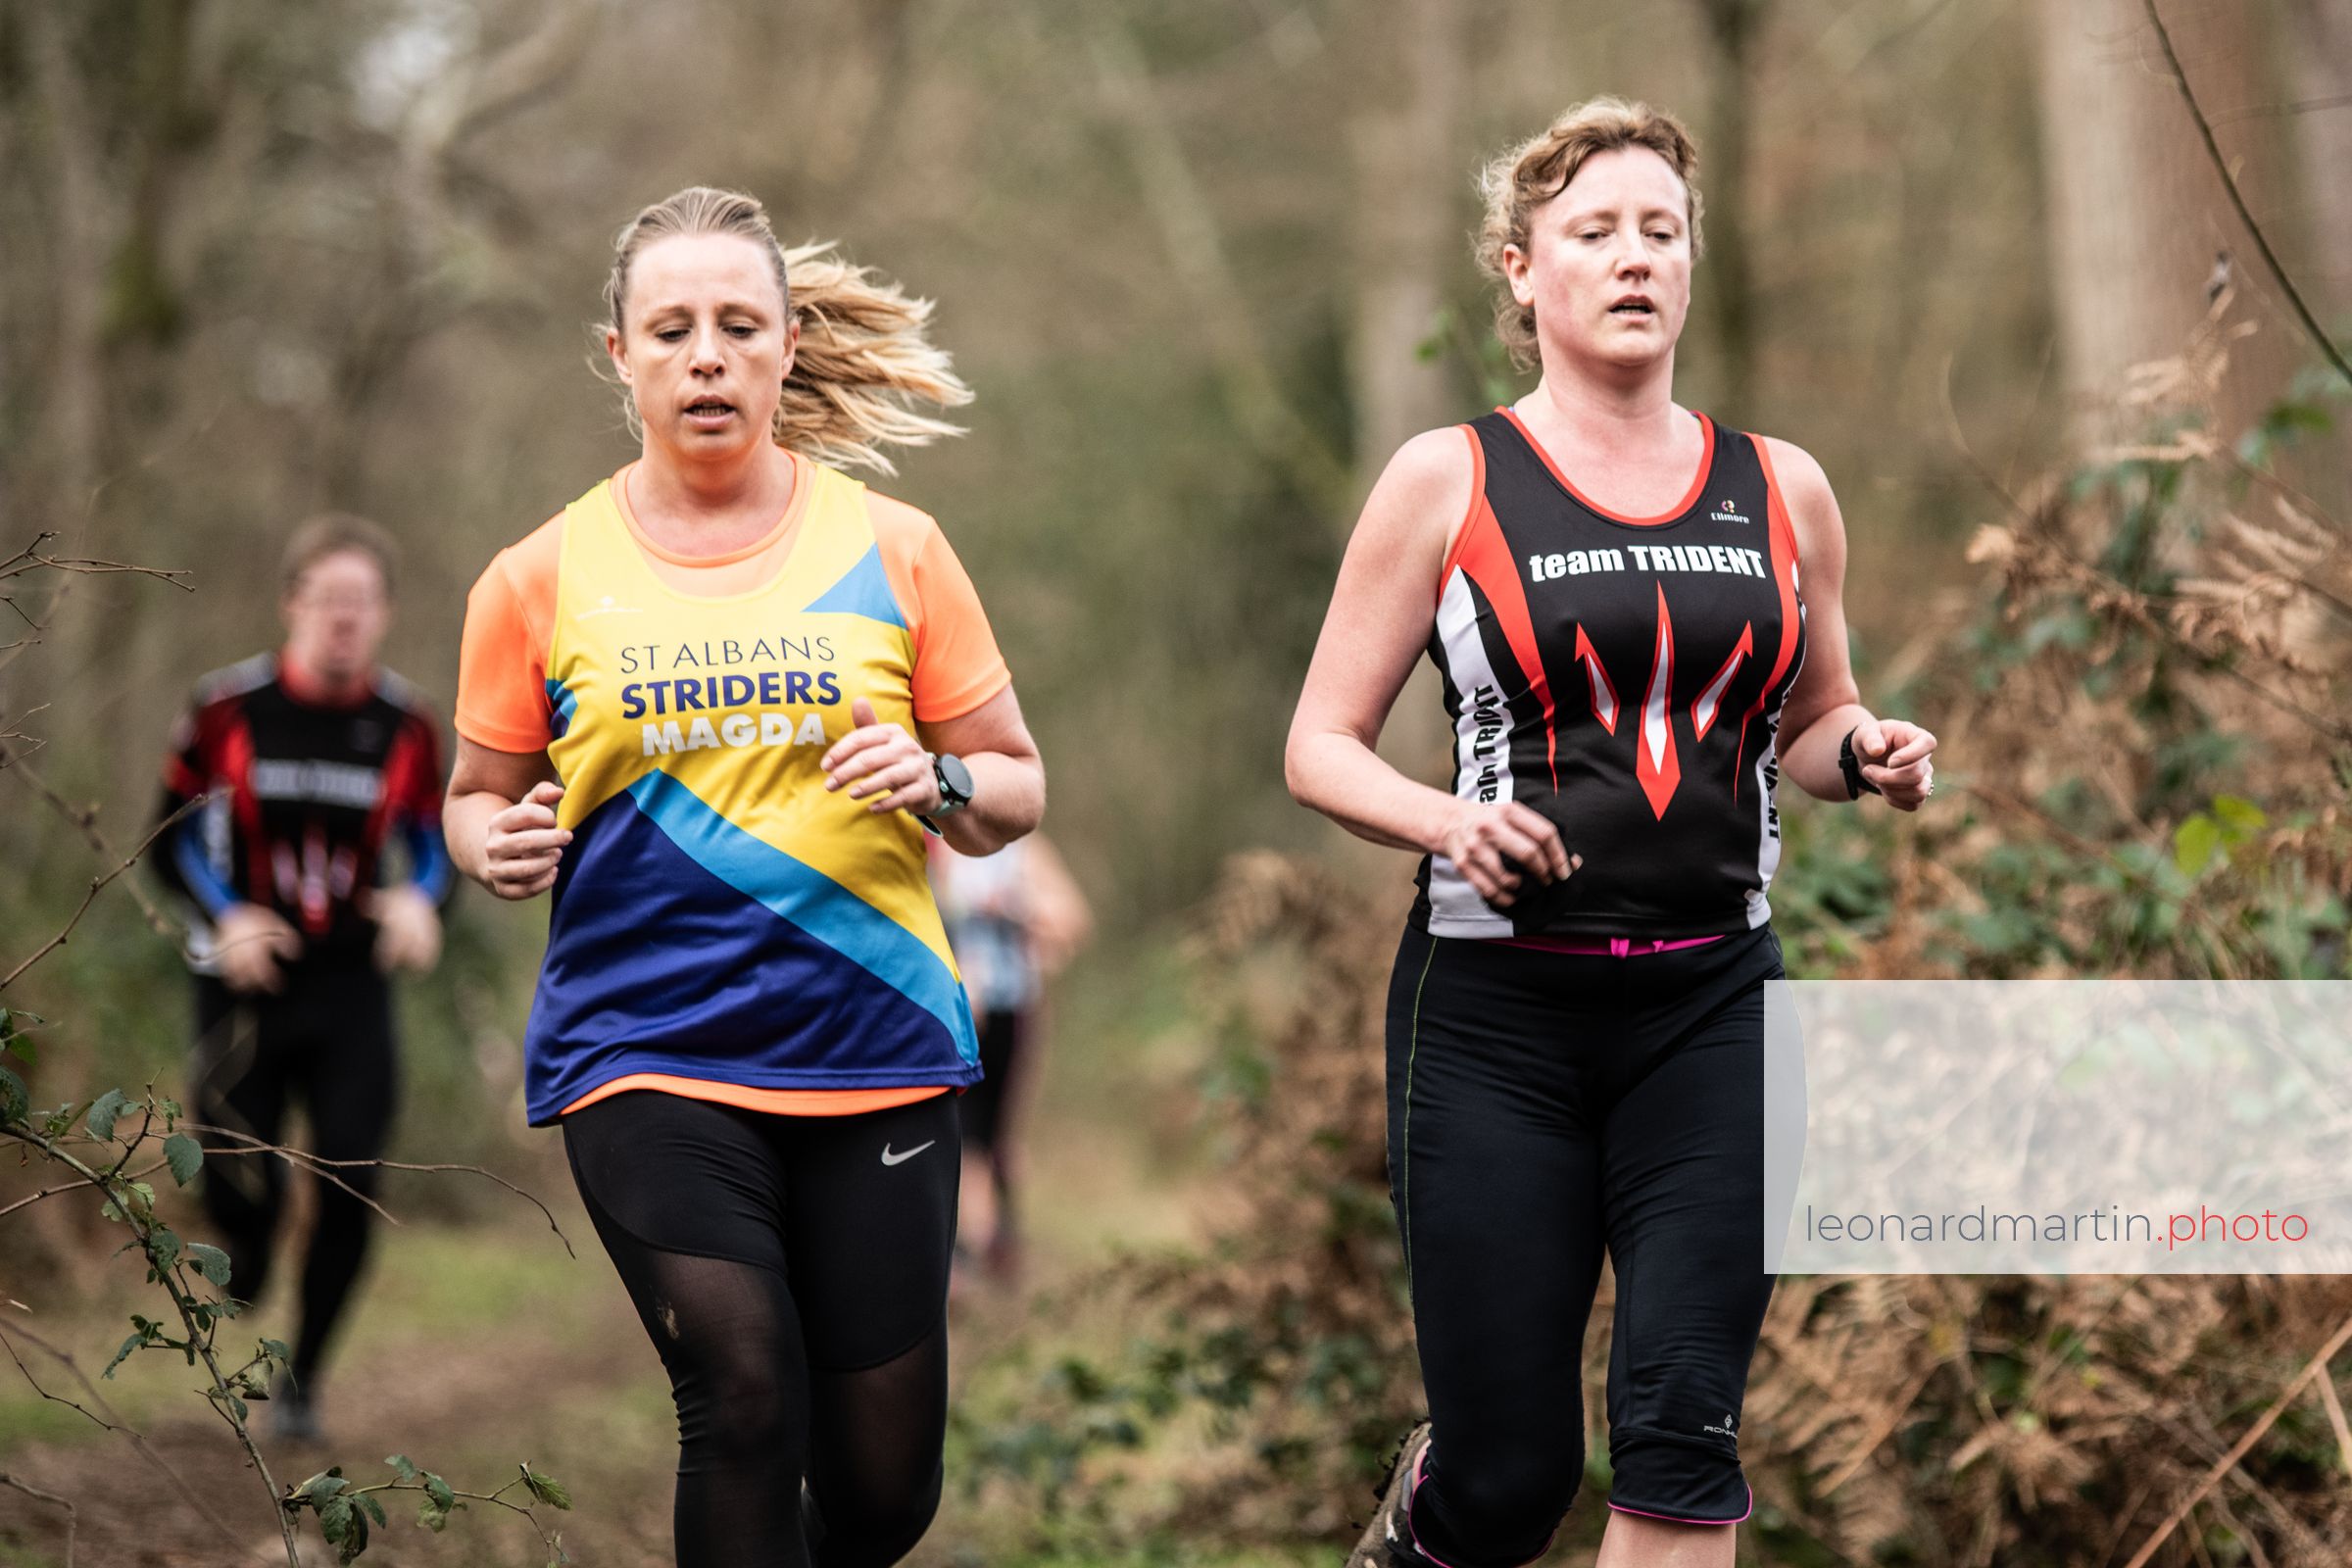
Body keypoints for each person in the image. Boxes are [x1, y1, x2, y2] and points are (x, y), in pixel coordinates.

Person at [1285, 100, 1936, 1568]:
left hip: (1716, 1010)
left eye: (1662, 230)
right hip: (1494, 1024)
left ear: (1693, 262)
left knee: (1683, 1437)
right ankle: (1422, 1523)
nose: (1635, 257)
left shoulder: (1784, 487)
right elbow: (1318, 745)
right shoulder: (1446, 479)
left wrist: (1867, 752)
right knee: (1511, 1479)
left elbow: (1814, 719)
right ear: (1523, 272)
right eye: (1595, 232)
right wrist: (1451, 822)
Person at [445, 186, 1044, 1568]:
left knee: (883, 1496)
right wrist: (492, 843)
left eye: (737, 325)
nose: (705, 356)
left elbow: (1016, 786)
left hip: (874, 1045)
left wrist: (940, 782)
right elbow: (474, 796)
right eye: (671, 330)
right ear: (620, 355)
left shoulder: (897, 549)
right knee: (744, 1391)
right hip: (644, 1047)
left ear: (787, 344)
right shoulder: (536, 576)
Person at [156, 514, 451, 1444]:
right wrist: (227, 917)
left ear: (385, 614)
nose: (344, 619)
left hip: (351, 986)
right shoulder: (224, 709)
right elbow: (165, 841)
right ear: (292, 603)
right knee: (235, 1176)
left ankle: (305, 1379)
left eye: (362, 602)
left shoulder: (407, 726)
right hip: (243, 981)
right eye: (329, 599)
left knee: (353, 1184)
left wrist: (423, 903)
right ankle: (247, 1255)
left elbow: (436, 843)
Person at [928, 832, 1091, 1287]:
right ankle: (967, 1252)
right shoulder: (932, 840)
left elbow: (1071, 921)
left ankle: (1001, 1245)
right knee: (962, 1130)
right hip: (956, 1011)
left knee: (1001, 1132)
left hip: (1014, 1008)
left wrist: (1014, 910)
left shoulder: (1021, 849)